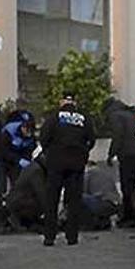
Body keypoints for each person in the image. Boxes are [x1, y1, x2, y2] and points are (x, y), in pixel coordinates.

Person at [39, 93, 96, 246]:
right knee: (73, 201)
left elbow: (43, 138)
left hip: (56, 163)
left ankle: (49, 236)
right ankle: (72, 236)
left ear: (61, 102)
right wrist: (83, 152)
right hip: (76, 164)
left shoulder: (54, 117)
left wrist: (49, 152)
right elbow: (92, 139)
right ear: (75, 103)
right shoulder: (84, 118)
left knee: (52, 200)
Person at [105, 97, 135, 228]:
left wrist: (111, 154)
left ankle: (129, 217)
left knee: (127, 186)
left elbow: (118, 135)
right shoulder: (131, 114)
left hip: (128, 153)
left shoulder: (115, 116)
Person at [1, 110, 38, 188]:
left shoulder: (30, 136)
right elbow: (4, 151)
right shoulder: (9, 132)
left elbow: (31, 149)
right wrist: (18, 160)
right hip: (9, 161)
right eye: (26, 128)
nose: (28, 131)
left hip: (23, 160)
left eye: (30, 128)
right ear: (22, 126)